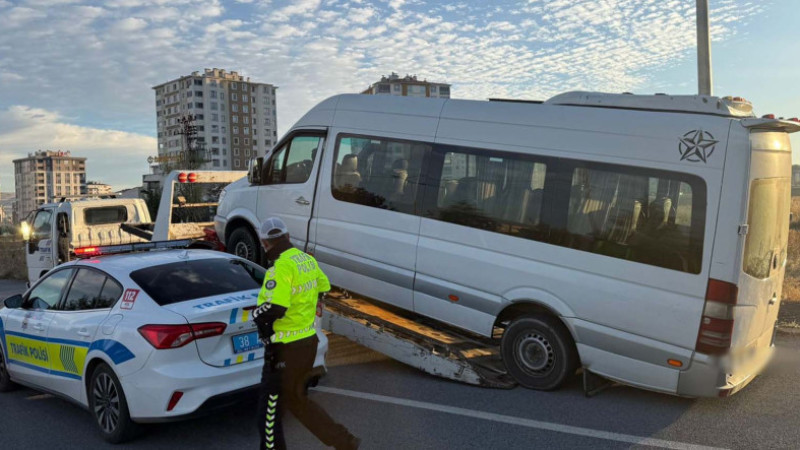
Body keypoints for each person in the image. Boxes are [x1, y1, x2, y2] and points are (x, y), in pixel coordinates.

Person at [252, 217, 360, 450]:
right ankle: (344, 441)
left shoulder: (280, 268)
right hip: (307, 344)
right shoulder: (307, 260)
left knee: (268, 415)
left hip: (283, 351)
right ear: (288, 237)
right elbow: (324, 286)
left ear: (265, 243)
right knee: (297, 400)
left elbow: (275, 308)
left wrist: (256, 314)